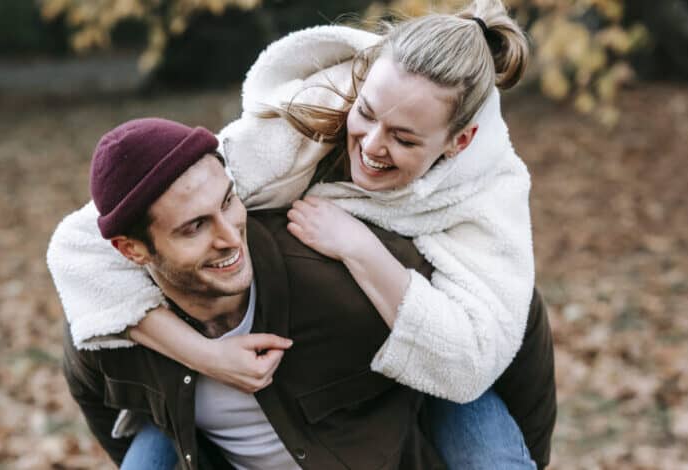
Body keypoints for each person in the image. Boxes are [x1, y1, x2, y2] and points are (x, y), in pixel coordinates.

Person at [49, 0, 555, 467]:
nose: (372, 146)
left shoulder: (486, 195)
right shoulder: (295, 129)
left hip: (429, 352)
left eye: (403, 139)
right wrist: (205, 357)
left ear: (459, 141)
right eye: (368, 114)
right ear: (361, 88)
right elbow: (81, 249)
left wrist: (360, 248)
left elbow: (495, 347)